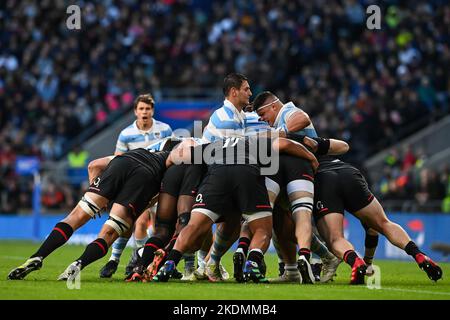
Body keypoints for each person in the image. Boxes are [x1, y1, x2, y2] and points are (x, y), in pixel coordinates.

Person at [7, 138, 186, 281]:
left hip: (122, 163)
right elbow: (151, 203)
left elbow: (93, 165)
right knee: (108, 233)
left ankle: (37, 256)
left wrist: (98, 193)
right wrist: (128, 219)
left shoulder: (137, 151)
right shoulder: (169, 173)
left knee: (75, 217)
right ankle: (79, 264)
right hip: (147, 178)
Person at [152, 135, 320, 283]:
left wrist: (167, 162)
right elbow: (285, 144)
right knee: (262, 229)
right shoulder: (253, 142)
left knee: (194, 226)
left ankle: (170, 262)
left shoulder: (213, 145)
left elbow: (180, 155)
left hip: (216, 177)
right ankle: (253, 261)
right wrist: (311, 158)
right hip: (246, 174)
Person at [99, 93, 173, 278]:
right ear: (135, 111)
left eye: (148, 108)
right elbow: (118, 159)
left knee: (160, 227)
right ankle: (131, 261)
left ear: (153, 110)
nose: (144, 112)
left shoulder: (164, 130)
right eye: (141, 109)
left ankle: (150, 262)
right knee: (137, 222)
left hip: (160, 185)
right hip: (137, 186)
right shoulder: (126, 134)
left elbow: (172, 157)